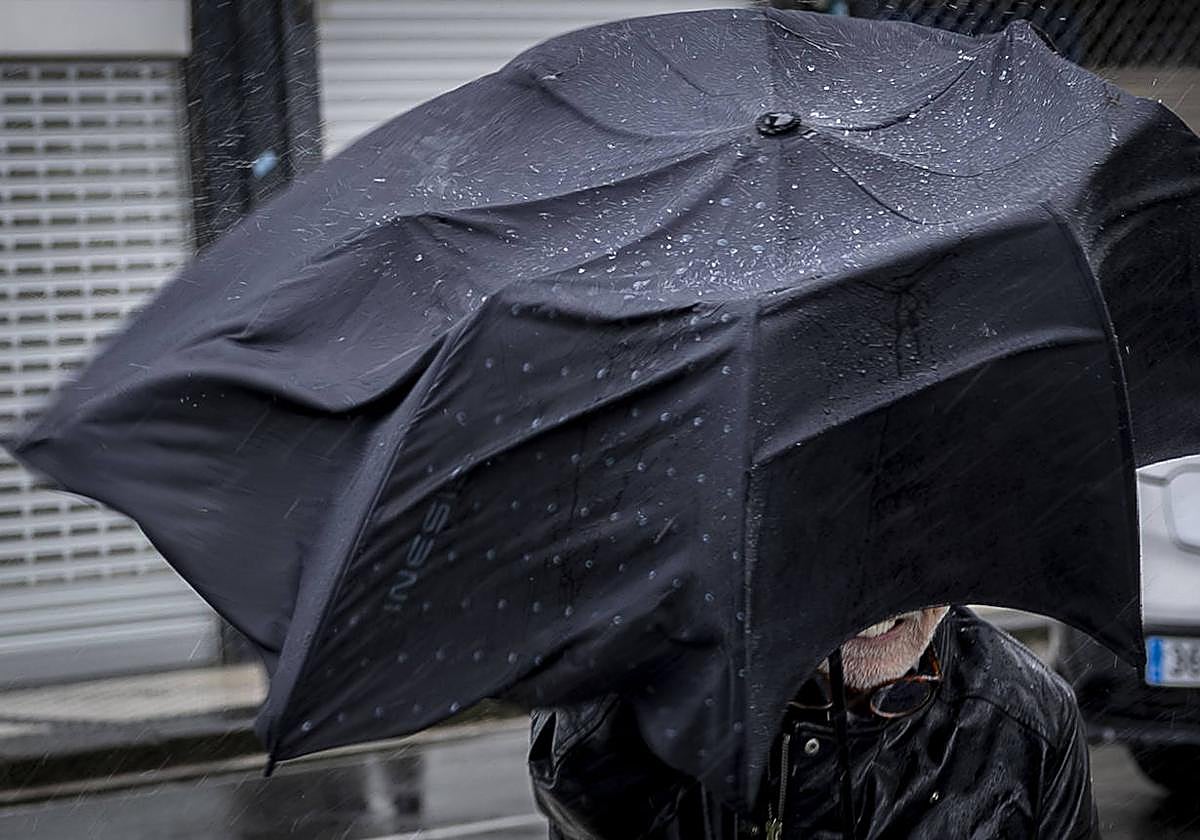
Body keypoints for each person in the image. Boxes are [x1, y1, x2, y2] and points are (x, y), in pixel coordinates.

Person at [528, 606, 1099, 839]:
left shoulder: (1031, 713)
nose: (880, 598)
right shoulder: (647, 699)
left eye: (911, 541)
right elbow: (580, 787)